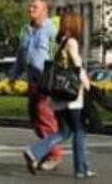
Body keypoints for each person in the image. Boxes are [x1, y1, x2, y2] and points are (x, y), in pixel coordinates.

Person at [23, 13, 95, 179]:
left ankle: (34, 152)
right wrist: (87, 84)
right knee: (79, 130)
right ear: (74, 25)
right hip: (72, 96)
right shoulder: (72, 42)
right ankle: (80, 169)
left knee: (64, 132)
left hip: (58, 97)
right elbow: (77, 65)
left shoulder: (58, 42)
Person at [9, 0, 63, 170]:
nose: (30, 10)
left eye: (35, 7)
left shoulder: (51, 29)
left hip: (46, 81)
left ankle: (55, 155)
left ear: (44, 11)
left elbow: (64, 48)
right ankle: (46, 149)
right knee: (35, 120)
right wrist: (13, 76)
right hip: (32, 81)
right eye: (30, 7)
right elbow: (20, 56)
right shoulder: (26, 31)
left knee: (45, 116)